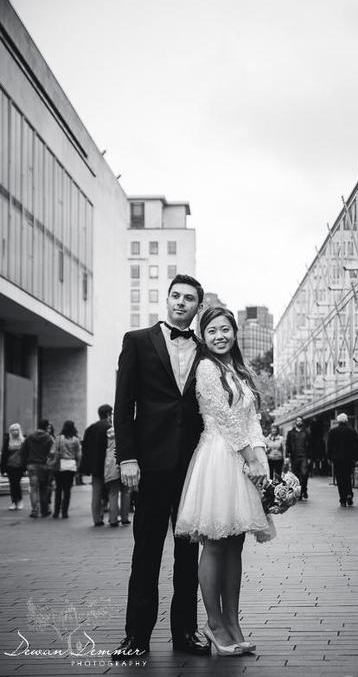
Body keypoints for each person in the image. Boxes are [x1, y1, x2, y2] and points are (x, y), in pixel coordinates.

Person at [112, 274, 209, 659]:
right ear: (167, 299)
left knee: (187, 555)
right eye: (176, 296)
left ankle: (185, 632)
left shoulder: (207, 350)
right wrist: (127, 457)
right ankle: (136, 636)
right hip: (149, 465)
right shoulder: (137, 341)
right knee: (146, 552)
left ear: (197, 306)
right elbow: (124, 404)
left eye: (189, 298)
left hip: (193, 467)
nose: (181, 302)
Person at [175, 306, 271, 656]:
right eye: (212, 330)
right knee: (215, 542)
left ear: (234, 333)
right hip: (218, 458)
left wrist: (260, 458)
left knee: (235, 545)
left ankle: (233, 623)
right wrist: (251, 459)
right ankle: (214, 624)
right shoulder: (206, 368)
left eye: (225, 329)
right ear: (204, 335)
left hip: (243, 459)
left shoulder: (240, 370)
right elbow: (227, 419)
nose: (219, 336)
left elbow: (253, 420)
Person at [81, 404, 113, 526]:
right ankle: (113, 517)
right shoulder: (109, 428)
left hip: (95, 466)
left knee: (96, 493)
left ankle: (97, 519)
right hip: (107, 465)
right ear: (108, 414)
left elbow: (85, 448)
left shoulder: (90, 429)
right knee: (111, 491)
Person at [20, 419, 54, 518]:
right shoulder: (49, 438)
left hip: (32, 466)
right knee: (44, 488)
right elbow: (52, 453)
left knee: (34, 489)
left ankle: (35, 511)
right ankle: (44, 510)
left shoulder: (30, 437)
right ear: (46, 427)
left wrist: (25, 463)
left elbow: (23, 451)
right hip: (44, 466)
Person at [326, 413, 358, 507]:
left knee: (340, 478)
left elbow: (329, 446)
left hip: (337, 459)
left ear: (338, 421)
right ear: (346, 420)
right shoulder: (352, 431)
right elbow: (356, 446)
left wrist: (329, 458)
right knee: (348, 477)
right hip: (349, 459)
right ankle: (349, 494)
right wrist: (357, 458)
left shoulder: (333, 431)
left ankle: (342, 499)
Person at [51, 420, 81, 519]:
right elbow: (78, 454)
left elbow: (54, 451)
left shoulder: (59, 438)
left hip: (60, 465)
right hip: (71, 465)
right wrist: (78, 465)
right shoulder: (76, 440)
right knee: (67, 490)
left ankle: (56, 511)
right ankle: (64, 512)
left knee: (58, 489)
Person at [104, 426, 131, 527]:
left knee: (113, 493)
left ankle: (113, 519)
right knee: (126, 492)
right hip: (125, 462)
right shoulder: (126, 432)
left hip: (111, 465)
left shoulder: (108, 435)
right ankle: (125, 518)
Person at [1, 423, 26, 510]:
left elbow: (26, 455)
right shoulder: (8, 440)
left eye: (16, 429)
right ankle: (13, 502)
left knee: (17, 483)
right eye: (13, 430)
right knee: (12, 484)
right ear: (10, 431)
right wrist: (2, 469)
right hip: (10, 465)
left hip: (19, 466)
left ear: (19, 430)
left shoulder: (23, 441)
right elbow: (4, 454)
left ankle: (19, 501)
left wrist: (25, 467)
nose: (15, 431)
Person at [285, 417, 311, 499]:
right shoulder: (290, 433)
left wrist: (310, 457)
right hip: (294, 456)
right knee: (296, 475)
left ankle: (304, 490)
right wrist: (287, 456)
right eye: (297, 421)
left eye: (300, 421)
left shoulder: (306, 432)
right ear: (295, 422)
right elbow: (287, 445)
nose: (299, 422)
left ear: (302, 422)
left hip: (304, 456)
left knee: (304, 474)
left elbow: (310, 445)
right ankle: (298, 492)